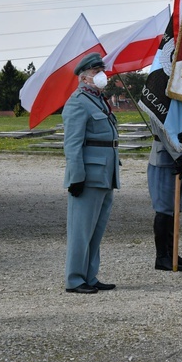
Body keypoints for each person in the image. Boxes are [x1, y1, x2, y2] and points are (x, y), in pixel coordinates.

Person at [62, 52, 120, 294]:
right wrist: (75, 177)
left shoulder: (98, 100)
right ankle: (75, 279)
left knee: (96, 230)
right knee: (81, 230)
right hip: (88, 175)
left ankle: (90, 275)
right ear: (84, 77)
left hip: (105, 173)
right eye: (97, 72)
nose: (101, 75)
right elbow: (73, 144)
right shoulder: (77, 102)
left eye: (101, 71)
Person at [147, 114, 182, 271]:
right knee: (164, 208)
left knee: (176, 208)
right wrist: (178, 155)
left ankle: (172, 252)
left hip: (181, 156)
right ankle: (162, 257)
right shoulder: (158, 97)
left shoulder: (179, 96)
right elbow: (161, 129)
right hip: (164, 159)